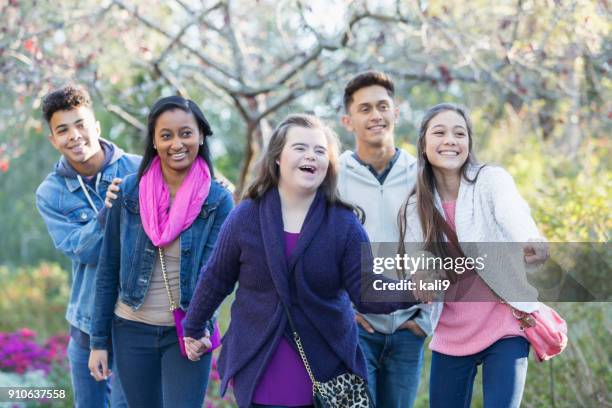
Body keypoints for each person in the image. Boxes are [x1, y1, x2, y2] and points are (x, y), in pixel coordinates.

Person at [182, 114, 418, 408]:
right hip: (259, 365)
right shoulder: (245, 217)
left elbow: (366, 289)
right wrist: (193, 328)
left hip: (326, 369)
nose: (311, 156)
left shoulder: (344, 224)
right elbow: (216, 277)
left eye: (320, 151)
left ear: (329, 165)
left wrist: (415, 290)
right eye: (300, 148)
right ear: (278, 157)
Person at [399, 103, 548, 407]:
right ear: (424, 146)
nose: (451, 140)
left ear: (469, 143)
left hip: (504, 324)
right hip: (451, 333)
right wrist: (423, 279)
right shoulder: (415, 208)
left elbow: (512, 210)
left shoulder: (490, 180)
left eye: (459, 133)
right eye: (439, 132)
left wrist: (529, 238)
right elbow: (418, 262)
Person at [88, 96, 233, 408]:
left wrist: (200, 329)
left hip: (186, 332)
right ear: (154, 141)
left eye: (186, 133)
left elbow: (216, 277)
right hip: (130, 330)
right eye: (165, 135)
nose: (176, 143)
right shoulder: (128, 192)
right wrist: (98, 343)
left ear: (201, 136)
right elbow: (107, 271)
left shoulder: (217, 200)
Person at [35, 84, 137, 407]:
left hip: (138, 322)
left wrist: (211, 184)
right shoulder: (50, 193)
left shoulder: (140, 168)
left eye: (80, 124)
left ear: (96, 126)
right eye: (63, 130)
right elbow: (84, 249)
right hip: (86, 324)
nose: (75, 136)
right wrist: (107, 213)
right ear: (53, 140)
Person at [338, 71, 431, 408]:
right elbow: (316, 253)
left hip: (408, 329)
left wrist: (425, 319)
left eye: (382, 106)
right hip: (355, 330)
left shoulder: (423, 174)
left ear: (396, 112)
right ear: (348, 121)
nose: (375, 115)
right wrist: (343, 312)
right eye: (364, 109)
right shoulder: (332, 178)